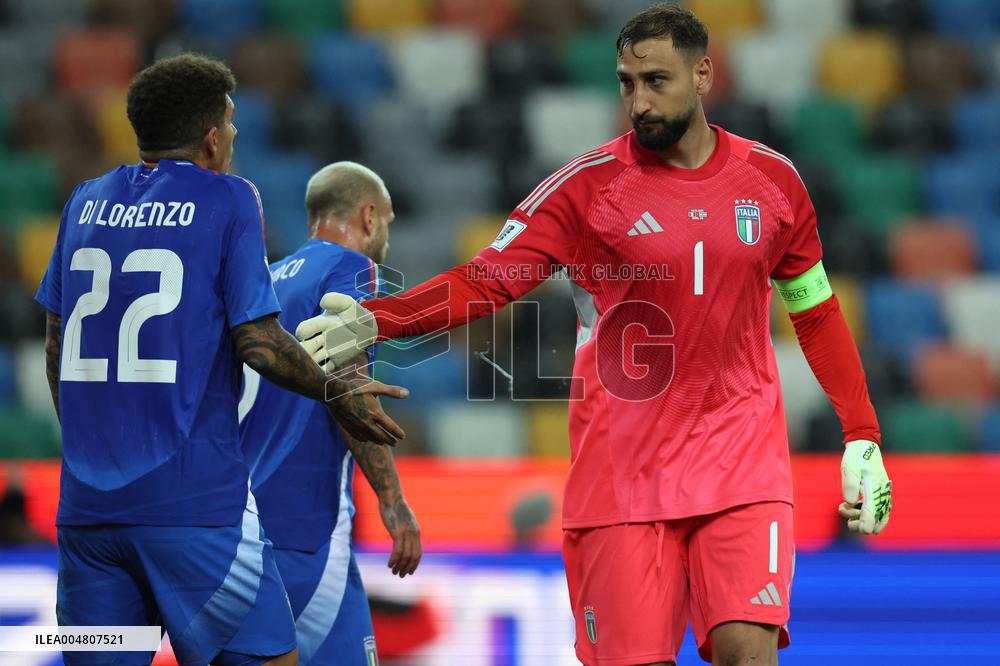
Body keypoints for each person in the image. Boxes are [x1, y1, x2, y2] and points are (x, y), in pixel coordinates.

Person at [298, 5, 893, 666]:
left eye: (656, 81)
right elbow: (488, 279)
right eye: (626, 82)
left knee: (746, 651)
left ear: (703, 75)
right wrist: (380, 317)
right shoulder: (586, 189)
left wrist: (862, 435)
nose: (638, 101)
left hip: (742, 463)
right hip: (624, 475)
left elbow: (814, 312)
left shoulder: (774, 182)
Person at [35, 54, 407, 666]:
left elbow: (56, 350)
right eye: (231, 125)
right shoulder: (229, 198)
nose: (234, 137)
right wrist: (335, 391)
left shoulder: (83, 203)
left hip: (86, 518)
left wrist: (93, 451)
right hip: (197, 513)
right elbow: (259, 344)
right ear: (212, 138)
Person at [239, 162, 421, 666]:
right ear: (367, 217)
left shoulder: (266, 279)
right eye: (386, 221)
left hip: (247, 521)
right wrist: (393, 501)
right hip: (308, 524)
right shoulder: (353, 268)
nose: (385, 236)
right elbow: (350, 388)